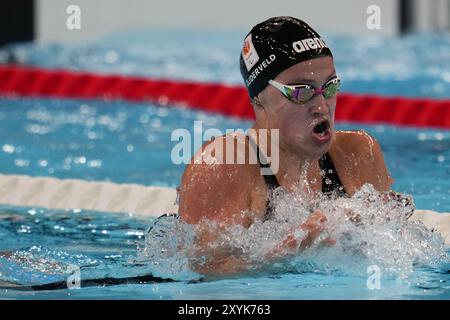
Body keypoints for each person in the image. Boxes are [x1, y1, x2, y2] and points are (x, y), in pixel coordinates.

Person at [177, 16, 399, 275]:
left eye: (329, 87)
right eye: (301, 91)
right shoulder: (223, 165)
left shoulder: (359, 153)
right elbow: (203, 276)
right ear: (259, 97)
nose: (321, 106)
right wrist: (289, 250)